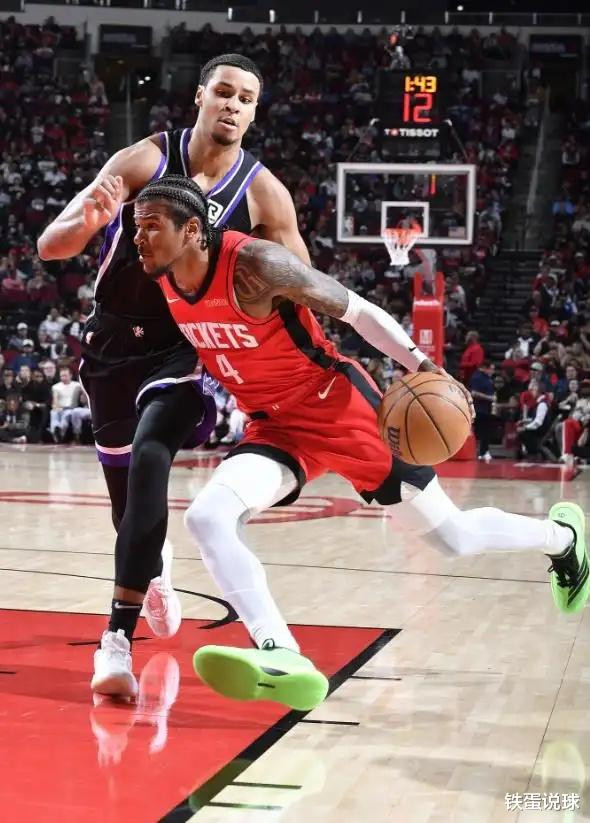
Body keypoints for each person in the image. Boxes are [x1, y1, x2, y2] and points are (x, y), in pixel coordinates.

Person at [130, 175, 587, 712]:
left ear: (191, 230)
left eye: (149, 226)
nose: (138, 238)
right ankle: (282, 653)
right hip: (273, 428)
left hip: (341, 410)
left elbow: (359, 312)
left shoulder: (257, 265)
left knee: (453, 538)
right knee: (207, 517)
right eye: (135, 227)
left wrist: (423, 365)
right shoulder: (164, 279)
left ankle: (562, 539)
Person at [37, 54, 311, 696]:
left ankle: (115, 645)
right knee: (127, 499)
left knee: (152, 460)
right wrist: (89, 221)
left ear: (254, 112)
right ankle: (153, 570)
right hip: (112, 341)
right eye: (224, 92)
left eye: (247, 98)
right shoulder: (143, 160)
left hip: (185, 345)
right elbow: (52, 245)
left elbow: (303, 288)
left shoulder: (263, 192)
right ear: (200, 96)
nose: (234, 105)